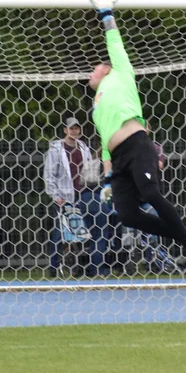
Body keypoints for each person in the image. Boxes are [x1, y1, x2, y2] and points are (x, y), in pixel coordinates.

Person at [87, 0, 186, 275]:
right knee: (126, 215)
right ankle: (185, 238)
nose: (90, 73)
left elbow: (114, 42)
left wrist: (106, 14)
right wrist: (106, 177)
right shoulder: (96, 106)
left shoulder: (121, 73)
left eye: (94, 68)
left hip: (138, 146)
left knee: (151, 193)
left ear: (106, 69)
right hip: (118, 159)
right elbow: (105, 144)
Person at [43, 116, 109, 277]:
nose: (75, 131)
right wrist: (55, 196)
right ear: (65, 130)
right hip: (64, 197)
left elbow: (87, 171)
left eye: (77, 128)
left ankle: (91, 268)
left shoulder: (83, 148)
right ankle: (53, 268)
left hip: (83, 195)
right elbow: (49, 175)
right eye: (72, 128)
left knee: (93, 227)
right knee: (60, 234)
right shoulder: (56, 149)